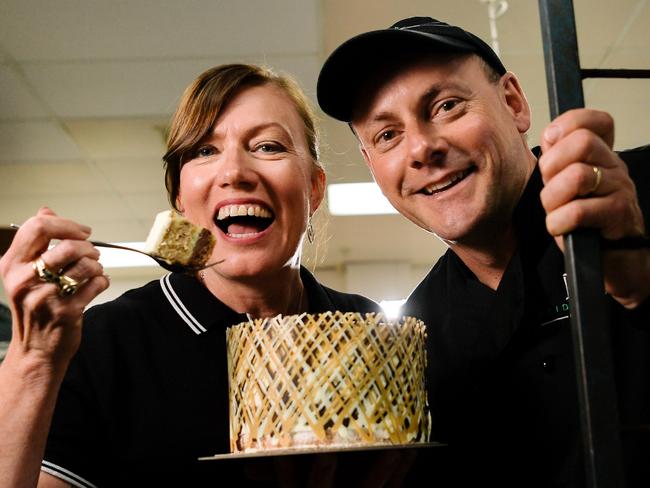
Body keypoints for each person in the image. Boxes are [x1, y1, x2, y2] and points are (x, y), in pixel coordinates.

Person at [0, 64, 382, 487]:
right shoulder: (102, 343)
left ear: (313, 188)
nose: (235, 171)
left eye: (269, 146)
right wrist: (32, 359)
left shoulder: (369, 332)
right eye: (204, 151)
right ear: (180, 197)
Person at [317, 17, 650, 487]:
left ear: (513, 103)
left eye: (447, 106)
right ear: (374, 166)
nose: (422, 148)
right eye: (387, 135)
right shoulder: (417, 340)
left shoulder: (635, 190)